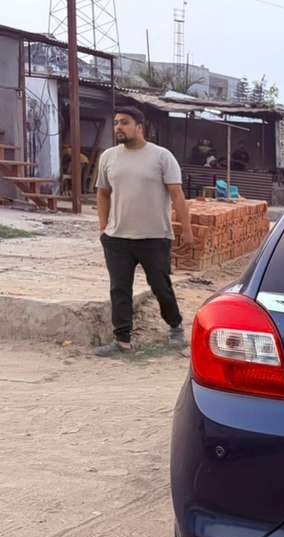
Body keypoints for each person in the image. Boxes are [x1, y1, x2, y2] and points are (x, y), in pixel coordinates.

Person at [94, 106, 194, 357]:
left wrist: (188, 231)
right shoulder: (108, 157)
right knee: (119, 289)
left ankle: (175, 326)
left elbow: (177, 195)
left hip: (154, 236)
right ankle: (122, 340)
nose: (118, 127)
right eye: (116, 122)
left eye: (124, 122)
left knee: (161, 286)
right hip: (117, 239)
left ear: (140, 126)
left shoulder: (162, 157)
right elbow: (103, 193)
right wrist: (103, 227)